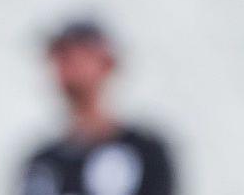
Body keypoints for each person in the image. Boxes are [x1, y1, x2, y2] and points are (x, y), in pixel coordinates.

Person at [20, 19, 175, 195]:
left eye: (75, 54)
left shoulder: (145, 152)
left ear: (107, 63)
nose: (66, 66)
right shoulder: (42, 164)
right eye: (59, 56)